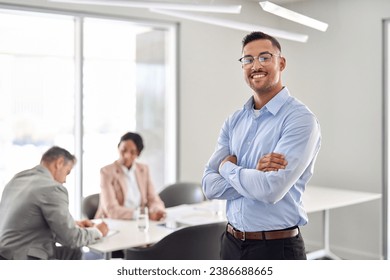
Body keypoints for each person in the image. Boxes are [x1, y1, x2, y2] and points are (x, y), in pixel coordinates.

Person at [202, 31, 321, 260]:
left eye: (265, 57)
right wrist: (253, 175)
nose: (256, 65)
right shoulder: (234, 121)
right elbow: (209, 186)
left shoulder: (300, 119)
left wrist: (227, 169)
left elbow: (270, 190)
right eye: (248, 60)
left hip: (276, 249)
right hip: (231, 244)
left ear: (281, 63)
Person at [0, 146, 108, 260]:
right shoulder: (52, 188)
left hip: (5, 253)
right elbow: (71, 239)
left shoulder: (17, 178)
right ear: (59, 162)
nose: (65, 180)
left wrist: (73, 224)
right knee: (74, 248)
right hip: (24, 258)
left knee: (72, 252)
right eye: (67, 172)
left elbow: (27, 222)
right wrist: (97, 231)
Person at [95, 132, 166, 221]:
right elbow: (111, 209)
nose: (127, 156)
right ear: (118, 148)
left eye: (132, 152)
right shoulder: (107, 172)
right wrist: (143, 214)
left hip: (138, 222)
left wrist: (157, 210)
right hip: (112, 222)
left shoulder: (143, 169)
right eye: (123, 150)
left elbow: (153, 199)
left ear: (138, 154)